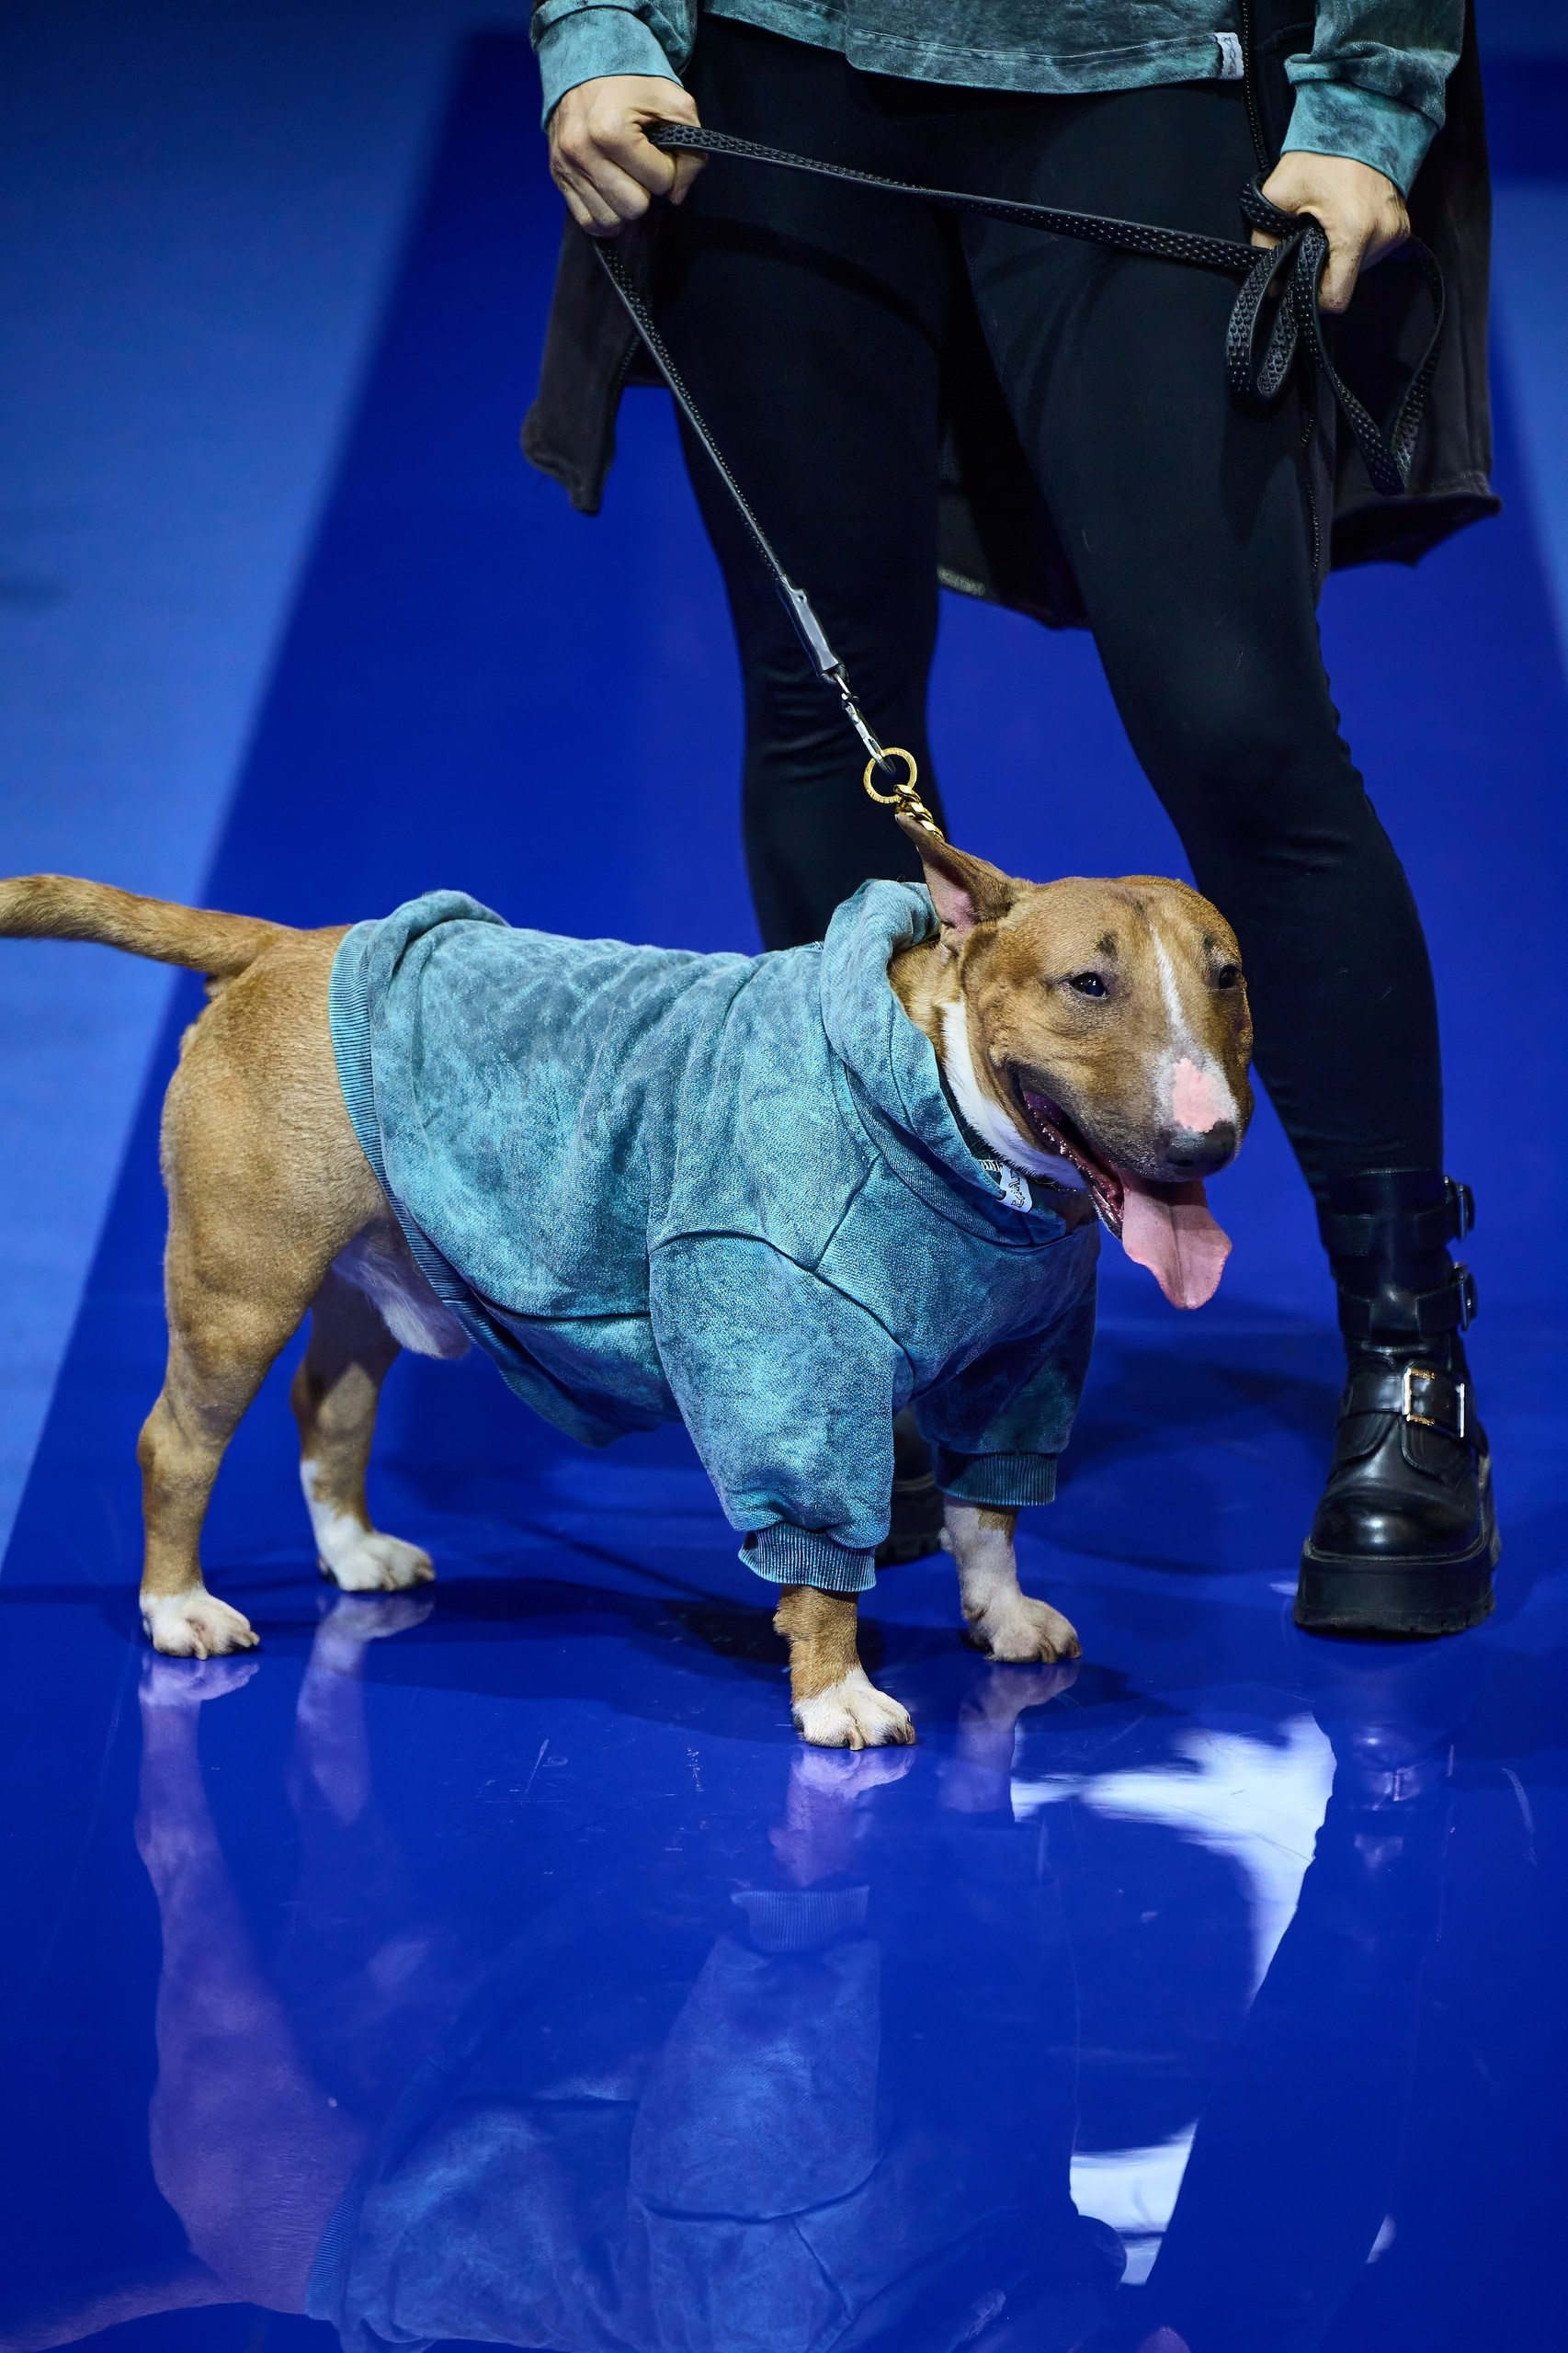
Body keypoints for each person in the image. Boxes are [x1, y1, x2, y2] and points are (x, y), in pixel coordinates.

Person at [523, 0, 1497, 1637]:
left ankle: (1409, 1356)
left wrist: (1365, 100)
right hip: (772, 67)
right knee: (824, 713)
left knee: (1239, 728)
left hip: (1147, 65)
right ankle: (855, 1314)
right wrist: (600, 22)